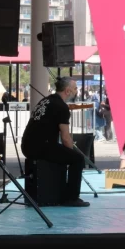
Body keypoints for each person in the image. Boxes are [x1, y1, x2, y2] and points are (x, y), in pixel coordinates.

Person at [21, 77, 89, 207]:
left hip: (28, 145)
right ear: (67, 91)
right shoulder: (61, 107)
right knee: (78, 159)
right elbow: (65, 138)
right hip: (41, 147)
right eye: (75, 88)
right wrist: (71, 154)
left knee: (65, 154)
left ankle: (62, 193)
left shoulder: (45, 101)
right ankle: (71, 198)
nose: (77, 91)